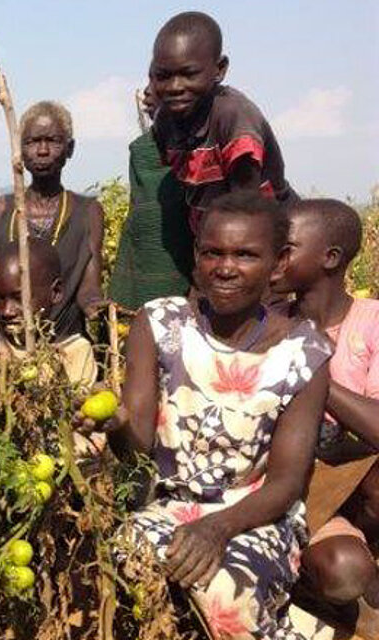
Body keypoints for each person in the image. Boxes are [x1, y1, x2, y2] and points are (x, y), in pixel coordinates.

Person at [82, 191, 332, 639]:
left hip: (254, 516)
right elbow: (137, 444)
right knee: (108, 568)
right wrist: (116, 422)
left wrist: (216, 528)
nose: (226, 267)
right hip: (166, 506)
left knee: (223, 594)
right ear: (196, 257)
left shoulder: (304, 354)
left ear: (277, 265)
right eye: (212, 252)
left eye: (246, 255)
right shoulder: (160, 324)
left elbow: (286, 483)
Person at [272, 199, 379, 636]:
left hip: (359, 487)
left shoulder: (371, 321)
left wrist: (314, 371)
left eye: (286, 247)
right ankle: (312, 579)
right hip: (299, 487)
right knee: (344, 573)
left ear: (330, 258)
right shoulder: (269, 324)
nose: (273, 256)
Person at [149, 11, 297, 233]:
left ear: (219, 69)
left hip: (265, 231)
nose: (175, 87)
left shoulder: (233, 116)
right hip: (213, 235)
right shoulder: (164, 122)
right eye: (163, 76)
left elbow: (245, 205)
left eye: (189, 74)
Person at [0, 100, 107, 338]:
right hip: (9, 345)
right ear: (19, 148)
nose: (42, 151)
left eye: (52, 141)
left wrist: (95, 306)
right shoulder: (0, 211)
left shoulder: (88, 211)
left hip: (65, 344)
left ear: (70, 149)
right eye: (32, 142)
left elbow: (89, 286)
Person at [0, 238, 98, 394]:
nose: (6, 311)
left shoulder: (76, 352)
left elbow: (76, 408)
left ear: (55, 292)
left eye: (19, 298)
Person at [108, 85, 194, 310]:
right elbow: (136, 222)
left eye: (160, 81)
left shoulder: (202, 148)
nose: (147, 91)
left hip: (191, 285)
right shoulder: (141, 151)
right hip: (143, 286)